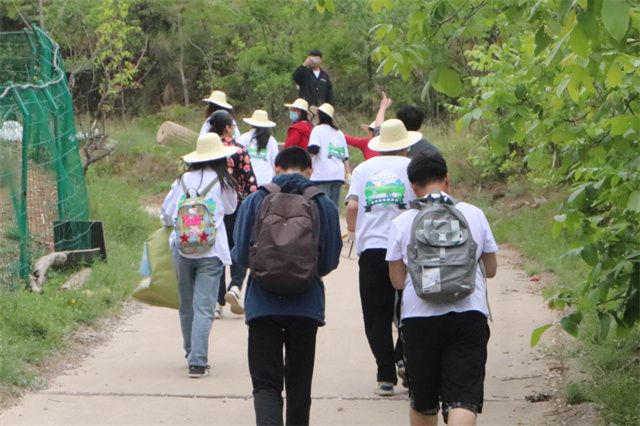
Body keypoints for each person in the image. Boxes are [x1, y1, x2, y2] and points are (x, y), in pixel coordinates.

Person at [386, 152, 498, 426]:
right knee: (462, 398)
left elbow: (398, 281)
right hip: (469, 314)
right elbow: (491, 269)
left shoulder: (402, 222)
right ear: (447, 179)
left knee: (424, 403)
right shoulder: (474, 213)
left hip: (419, 318)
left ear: (412, 186)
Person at [232, 146, 342, 425]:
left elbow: (241, 256)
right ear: (310, 171)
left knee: (266, 385)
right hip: (306, 307)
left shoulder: (256, 200)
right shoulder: (323, 204)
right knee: (299, 386)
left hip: (262, 305)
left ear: (276, 169)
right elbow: (329, 261)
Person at [345, 118, 421, 396]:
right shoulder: (412, 168)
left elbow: (352, 206)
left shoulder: (363, 169)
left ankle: (385, 375)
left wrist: (354, 230)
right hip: (408, 249)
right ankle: (405, 359)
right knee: (410, 309)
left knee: (376, 315)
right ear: (405, 144)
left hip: (373, 250)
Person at [160, 133, 238, 378]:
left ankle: (190, 351)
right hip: (211, 250)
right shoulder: (223, 181)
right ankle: (198, 362)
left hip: (182, 249)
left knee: (186, 304)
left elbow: (166, 213)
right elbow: (231, 208)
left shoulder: (182, 180)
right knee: (204, 307)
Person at [208, 110, 258, 318]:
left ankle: (217, 303)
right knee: (238, 245)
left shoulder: (208, 149)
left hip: (211, 208)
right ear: (228, 127)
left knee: (217, 251)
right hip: (237, 205)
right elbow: (250, 180)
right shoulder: (239, 149)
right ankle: (235, 286)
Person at [307, 103, 350, 207]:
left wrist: (306, 167)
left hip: (322, 174)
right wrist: (348, 174)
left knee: (322, 206)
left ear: (320, 116)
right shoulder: (339, 133)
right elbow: (345, 157)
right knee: (333, 207)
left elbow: (313, 150)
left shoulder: (317, 130)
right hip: (338, 175)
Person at [237, 109, 279, 186]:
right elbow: (276, 162)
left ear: (252, 124)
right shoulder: (271, 140)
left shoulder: (244, 138)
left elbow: (238, 159)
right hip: (267, 181)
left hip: (248, 180)